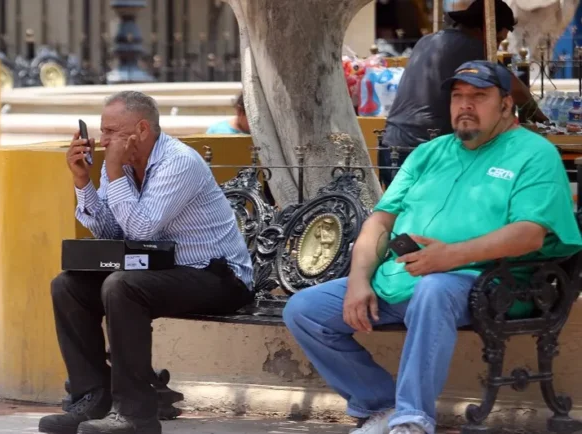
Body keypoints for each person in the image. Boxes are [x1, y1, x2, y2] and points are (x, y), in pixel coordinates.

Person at [283, 61, 582, 434]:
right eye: (458, 96)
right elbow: (380, 221)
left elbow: (529, 233)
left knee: (434, 288)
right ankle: (381, 406)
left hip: (493, 284)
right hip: (403, 277)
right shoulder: (429, 153)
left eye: (479, 96)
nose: (465, 105)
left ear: (507, 104)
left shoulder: (534, 154)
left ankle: (412, 419)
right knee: (304, 309)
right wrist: (359, 279)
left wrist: (450, 256)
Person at [38, 91, 254, 434]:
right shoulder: (120, 165)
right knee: (67, 285)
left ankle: (136, 415)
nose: (102, 140)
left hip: (219, 276)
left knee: (122, 286)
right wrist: (83, 181)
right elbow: (112, 230)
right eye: (101, 131)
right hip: (162, 271)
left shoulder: (178, 161)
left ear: (141, 129)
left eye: (111, 131)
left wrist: (111, 169)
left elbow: (141, 228)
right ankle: (92, 399)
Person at [379, 0, 547, 188]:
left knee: (402, 215)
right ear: (485, 30)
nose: (497, 47)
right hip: (426, 150)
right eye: (498, 40)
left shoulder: (427, 40)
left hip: (390, 143)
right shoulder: (474, 48)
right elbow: (516, 90)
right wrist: (537, 118)